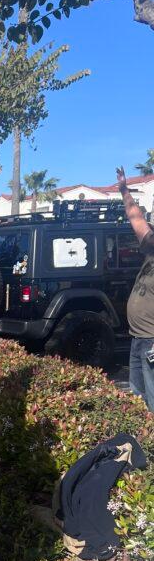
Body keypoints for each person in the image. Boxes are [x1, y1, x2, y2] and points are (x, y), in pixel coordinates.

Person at [117, 167, 154, 410]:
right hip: (138, 338)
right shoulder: (151, 251)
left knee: (152, 394)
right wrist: (124, 190)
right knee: (138, 395)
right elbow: (136, 218)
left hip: (152, 341)